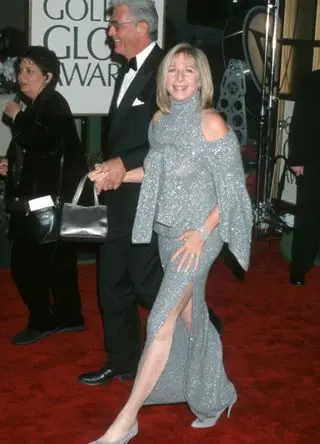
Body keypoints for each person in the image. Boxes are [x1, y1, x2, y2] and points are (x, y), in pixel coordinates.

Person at [88, 43, 252, 444]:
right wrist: (115, 174)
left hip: (198, 238)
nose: (179, 78)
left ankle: (126, 421)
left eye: (188, 71)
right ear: (164, 79)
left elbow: (233, 191)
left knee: (160, 320)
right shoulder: (160, 122)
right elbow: (159, 172)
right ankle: (218, 395)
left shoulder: (211, 123)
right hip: (167, 234)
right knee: (191, 316)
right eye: (173, 70)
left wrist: (203, 231)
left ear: (201, 79)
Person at [78, 0, 223, 388]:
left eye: (115, 23)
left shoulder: (169, 71)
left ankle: (204, 332)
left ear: (142, 28)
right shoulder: (126, 71)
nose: (110, 30)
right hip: (120, 197)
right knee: (110, 281)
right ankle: (122, 361)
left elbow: (175, 136)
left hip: (153, 197)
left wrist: (123, 164)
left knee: (148, 283)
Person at [0, 46, 88, 345]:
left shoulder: (50, 103)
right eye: (21, 70)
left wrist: (18, 118)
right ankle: (70, 317)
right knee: (60, 264)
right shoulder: (46, 104)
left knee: (24, 266)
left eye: (29, 71)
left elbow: (48, 144)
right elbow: (47, 152)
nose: (22, 77)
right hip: (52, 201)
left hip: (45, 204)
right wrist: (12, 164)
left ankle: (43, 321)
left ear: (47, 77)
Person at [288, 69, 320, 286]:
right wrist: (297, 159)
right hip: (314, 160)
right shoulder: (312, 81)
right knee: (309, 216)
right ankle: (299, 267)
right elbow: (299, 121)